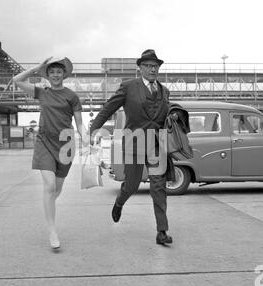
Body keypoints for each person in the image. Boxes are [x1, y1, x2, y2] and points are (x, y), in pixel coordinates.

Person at [90, 49, 187, 246]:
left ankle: (162, 231)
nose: (153, 69)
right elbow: (109, 108)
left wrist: (174, 113)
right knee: (132, 185)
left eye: (156, 66)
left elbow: (164, 111)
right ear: (140, 68)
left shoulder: (164, 91)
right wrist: (94, 129)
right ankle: (119, 203)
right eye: (149, 66)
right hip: (134, 142)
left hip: (156, 144)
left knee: (158, 186)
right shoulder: (128, 87)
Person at [13, 57, 89, 250]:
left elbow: (79, 123)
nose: (55, 75)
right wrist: (36, 68)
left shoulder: (72, 96)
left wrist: (86, 137)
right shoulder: (41, 93)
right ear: (47, 75)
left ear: (64, 74)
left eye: (59, 71)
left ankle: (48, 204)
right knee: (49, 186)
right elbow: (17, 80)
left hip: (66, 144)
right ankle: (52, 231)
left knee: (57, 189)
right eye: (51, 71)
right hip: (44, 142)